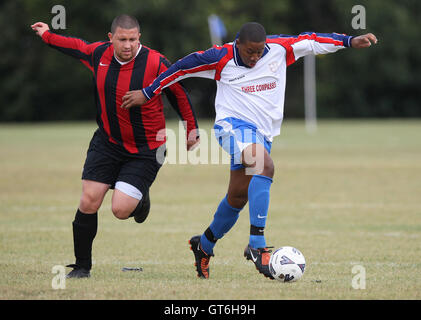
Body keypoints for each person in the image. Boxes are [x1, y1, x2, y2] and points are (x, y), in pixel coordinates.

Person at [121, 22, 378, 279]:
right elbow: (180, 68)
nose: (255, 57)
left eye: (259, 52)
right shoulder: (220, 57)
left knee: (237, 198)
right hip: (232, 127)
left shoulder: (279, 49)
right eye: (249, 52)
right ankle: (257, 245)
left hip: (262, 135)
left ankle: (204, 245)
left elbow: (311, 40)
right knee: (264, 165)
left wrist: (348, 41)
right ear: (238, 44)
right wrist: (148, 92)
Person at [30, 15, 199, 278]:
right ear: (111, 39)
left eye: (133, 39)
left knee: (120, 210)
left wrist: (191, 128)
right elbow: (74, 46)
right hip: (108, 142)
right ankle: (82, 266)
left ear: (139, 38)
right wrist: (47, 35)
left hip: (147, 148)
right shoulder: (98, 54)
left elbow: (178, 93)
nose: (128, 45)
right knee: (88, 200)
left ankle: (138, 198)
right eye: (122, 39)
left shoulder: (156, 62)